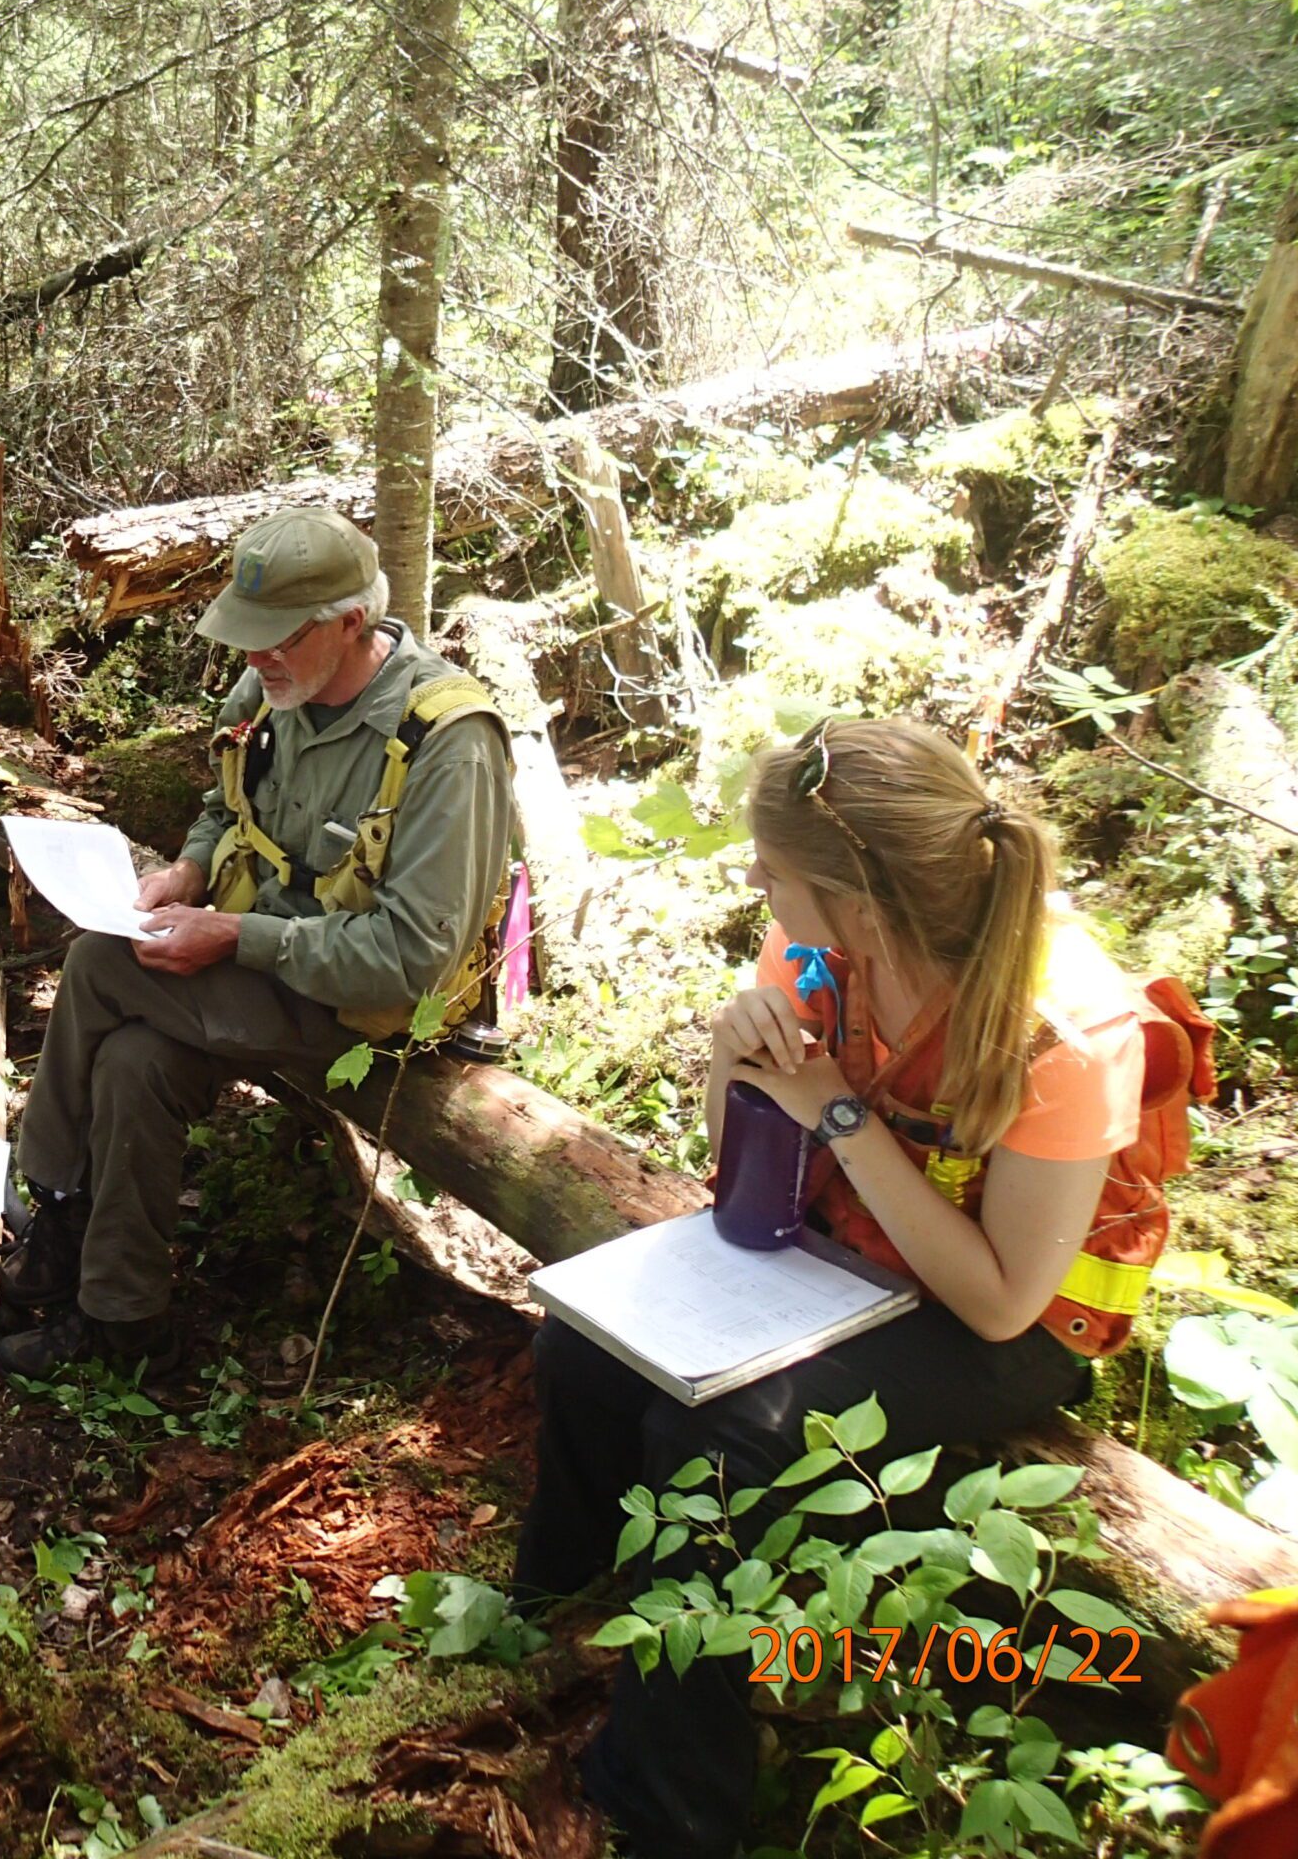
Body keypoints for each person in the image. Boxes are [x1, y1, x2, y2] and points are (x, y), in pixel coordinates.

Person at [514, 717, 1210, 1859]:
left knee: (727, 1439)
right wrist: (735, 1067)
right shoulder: (815, 953)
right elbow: (740, 1171)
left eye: (773, 871)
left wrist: (832, 1107)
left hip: (1008, 1317)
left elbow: (998, 1302)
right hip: (854, 1249)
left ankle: (666, 1807)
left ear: (862, 900)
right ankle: (559, 1611)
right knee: (586, 1347)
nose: (751, 884)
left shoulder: (1066, 1031)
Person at [0, 506, 516, 1380]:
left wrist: (235, 936)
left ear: (352, 623)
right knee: (133, 1064)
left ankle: (46, 1201)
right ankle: (124, 1320)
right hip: (266, 966)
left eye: (277, 639)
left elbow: (412, 957)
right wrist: (191, 874)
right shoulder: (270, 690)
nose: (254, 659)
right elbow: (222, 807)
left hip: (370, 1015)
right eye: (248, 639)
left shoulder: (448, 744)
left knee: (96, 962)